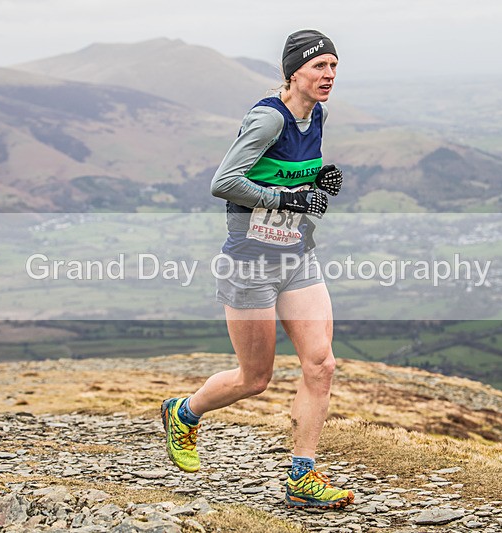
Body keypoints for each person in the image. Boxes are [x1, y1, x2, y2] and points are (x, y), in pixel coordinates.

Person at [161, 30, 353, 509]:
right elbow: (224, 182)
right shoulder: (270, 118)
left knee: (321, 364)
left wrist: (316, 181)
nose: (328, 75)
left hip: (297, 256)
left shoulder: (318, 115)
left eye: (333, 65)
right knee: (254, 378)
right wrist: (287, 198)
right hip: (251, 264)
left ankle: (302, 476)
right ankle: (184, 412)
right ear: (293, 72)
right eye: (318, 67)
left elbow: (291, 174)